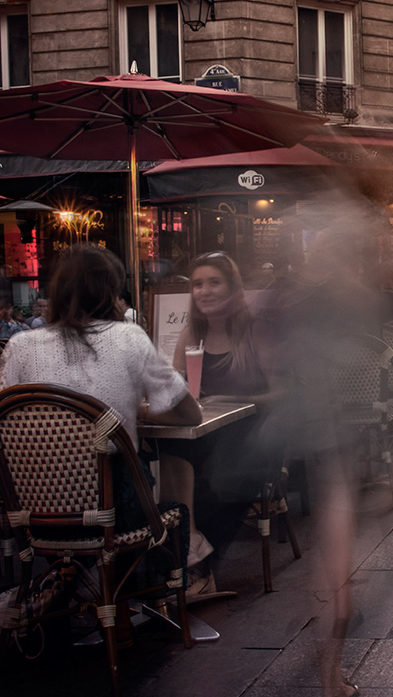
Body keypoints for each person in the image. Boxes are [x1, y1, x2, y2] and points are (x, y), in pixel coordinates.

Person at [0, 245, 201, 542]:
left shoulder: (20, 345)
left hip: (36, 508)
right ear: (112, 293)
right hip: (114, 508)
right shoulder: (128, 337)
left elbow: (0, 421)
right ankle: (144, 581)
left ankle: (77, 576)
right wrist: (139, 411)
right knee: (175, 505)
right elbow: (188, 412)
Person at [159, 251, 279, 593]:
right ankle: (188, 548)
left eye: (214, 282)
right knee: (170, 447)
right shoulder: (191, 334)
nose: (204, 291)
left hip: (255, 436)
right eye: (197, 284)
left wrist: (238, 404)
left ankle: (196, 568)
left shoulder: (254, 331)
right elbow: (178, 391)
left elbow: (282, 393)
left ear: (232, 288)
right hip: (208, 435)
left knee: (220, 471)